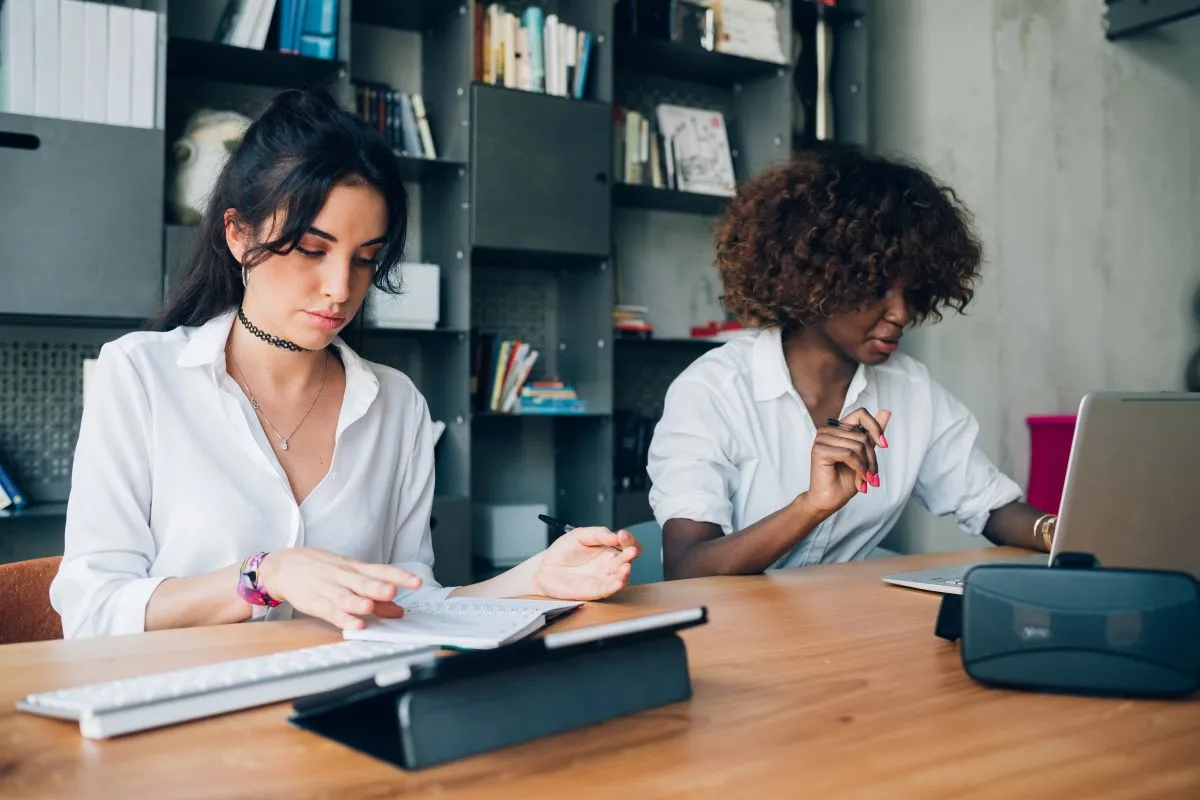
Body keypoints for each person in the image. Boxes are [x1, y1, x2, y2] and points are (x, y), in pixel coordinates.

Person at [50, 89, 640, 638]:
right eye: (311, 249)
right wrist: (261, 575)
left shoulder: (396, 402)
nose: (341, 288)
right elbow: (94, 609)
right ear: (237, 234)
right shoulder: (141, 376)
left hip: (341, 715)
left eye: (365, 259)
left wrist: (533, 579)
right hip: (182, 722)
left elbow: (408, 603)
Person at [646, 146, 1056, 580]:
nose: (901, 313)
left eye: (912, 292)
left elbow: (989, 506)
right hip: (732, 637)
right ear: (819, 280)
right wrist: (811, 506)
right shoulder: (713, 391)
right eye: (877, 287)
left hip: (840, 630)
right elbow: (688, 568)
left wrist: (1063, 533)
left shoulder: (911, 390)